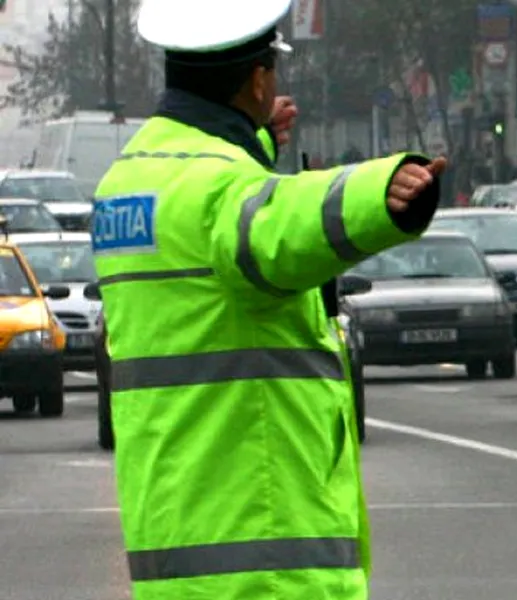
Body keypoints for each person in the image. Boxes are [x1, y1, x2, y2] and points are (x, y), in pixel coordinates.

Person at [90, 1, 445, 599]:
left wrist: (249, 141)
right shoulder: (222, 190)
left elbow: (219, 225)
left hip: (179, 546)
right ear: (259, 79)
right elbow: (278, 223)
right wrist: (385, 190)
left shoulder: (128, 182)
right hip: (264, 561)